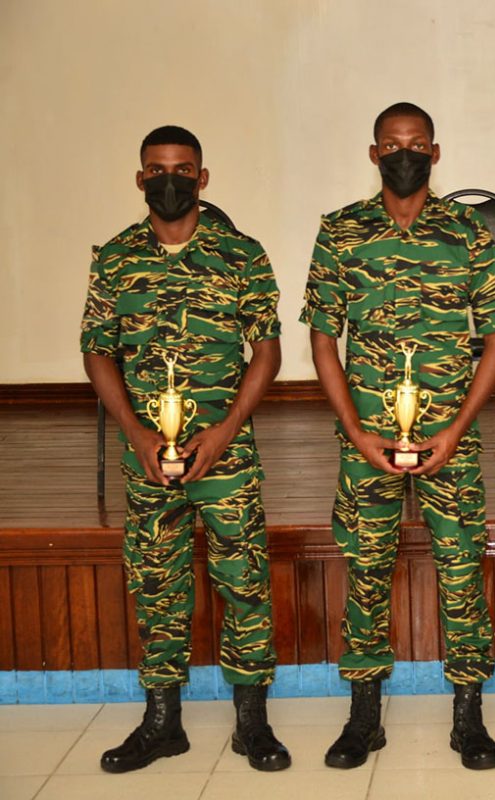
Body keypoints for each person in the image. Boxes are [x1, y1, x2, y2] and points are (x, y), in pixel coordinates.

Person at [301, 102, 495, 771]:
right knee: (365, 568)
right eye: (392, 144)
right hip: (367, 438)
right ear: (373, 154)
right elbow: (321, 338)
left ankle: (468, 714)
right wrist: (353, 429)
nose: (404, 154)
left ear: (436, 152)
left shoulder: (467, 232)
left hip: (450, 436)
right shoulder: (341, 232)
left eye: (417, 144)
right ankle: (365, 713)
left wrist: (457, 427)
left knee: (460, 570)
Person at [81, 125, 289, 772]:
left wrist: (225, 429)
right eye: (156, 169)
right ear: (140, 178)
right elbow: (96, 351)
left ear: (203, 178)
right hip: (149, 459)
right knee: (155, 584)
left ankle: (252, 724)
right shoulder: (115, 259)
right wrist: (138, 435)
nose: (169, 179)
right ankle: (162, 722)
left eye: (182, 168)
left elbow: (268, 352)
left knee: (245, 582)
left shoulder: (241, 254)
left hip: (225, 454)